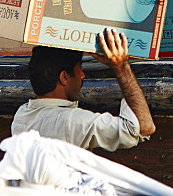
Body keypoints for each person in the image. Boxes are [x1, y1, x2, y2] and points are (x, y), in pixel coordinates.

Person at [11, 28, 156, 152]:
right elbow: (143, 128)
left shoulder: (21, 115)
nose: (82, 74)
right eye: (79, 68)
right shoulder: (73, 121)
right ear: (64, 77)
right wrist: (121, 67)